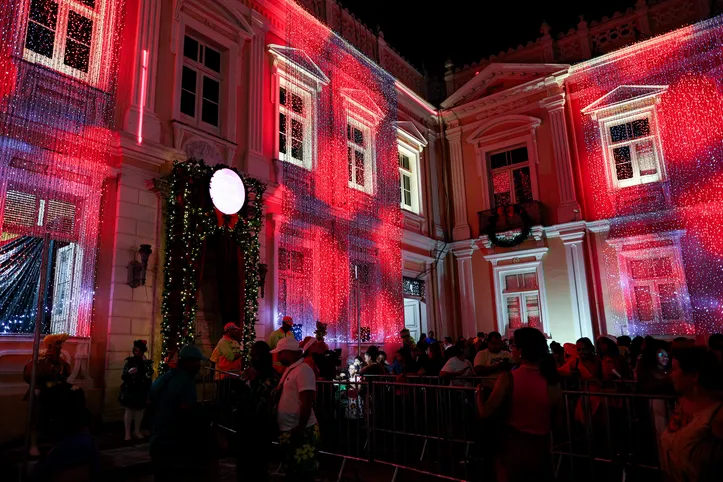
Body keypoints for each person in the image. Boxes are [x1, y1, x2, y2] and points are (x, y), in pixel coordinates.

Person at [476, 327, 561, 482]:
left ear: (521, 351)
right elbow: (556, 416)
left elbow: (486, 412)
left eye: (513, 346)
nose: (511, 349)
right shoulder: (552, 379)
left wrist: (479, 396)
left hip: (514, 445)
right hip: (542, 446)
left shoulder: (509, 378)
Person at [148, 345, 211, 482]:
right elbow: (186, 411)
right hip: (175, 444)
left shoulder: (165, 378)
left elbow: (150, 400)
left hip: (158, 441)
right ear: (189, 362)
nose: (199, 366)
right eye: (197, 363)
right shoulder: (186, 382)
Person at [660, 347, 723, 481]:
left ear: (694, 375)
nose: (670, 374)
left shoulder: (716, 415)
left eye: (675, 369)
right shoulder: (682, 403)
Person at [272, 336, 320, 482]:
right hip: (291, 430)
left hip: (302, 431)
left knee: (303, 473)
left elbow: (306, 401)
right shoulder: (291, 369)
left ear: (289, 352)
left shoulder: (303, 370)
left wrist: (300, 426)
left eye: (280, 352)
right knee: (292, 471)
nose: (278, 356)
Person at [23, 333, 72, 456]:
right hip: (40, 393)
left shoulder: (61, 362)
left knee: (56, 418)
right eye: (58, 343)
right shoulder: (39, 360)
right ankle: (33, 445)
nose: (60, 346)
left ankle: (55, 444)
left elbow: (64, 374)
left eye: (61, 344)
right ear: (50, 345)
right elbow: (30, 375)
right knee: (35, 418)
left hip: (56, 393)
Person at [237, 341, 279, 482]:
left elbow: (266, 397)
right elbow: (240, 394)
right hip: (245, 424)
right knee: (244, 465)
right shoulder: (248, 372)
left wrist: (254, 381)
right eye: (252, 355)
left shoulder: (272, 376)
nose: (253, 358)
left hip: (261, 425)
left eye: (256, 355)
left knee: (259, 466)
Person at [119, 339, 154, 441]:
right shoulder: (130, 361)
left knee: (139, 411)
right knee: (129, 410)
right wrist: (129, 373)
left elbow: (150, 373)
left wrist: (145, 363)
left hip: (141, 389)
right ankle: (127, 433)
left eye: (139, 350)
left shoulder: (145, 362)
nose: (137, 352)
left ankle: (137, 431)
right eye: (136, 350)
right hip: (131, 388)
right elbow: (123, 376)